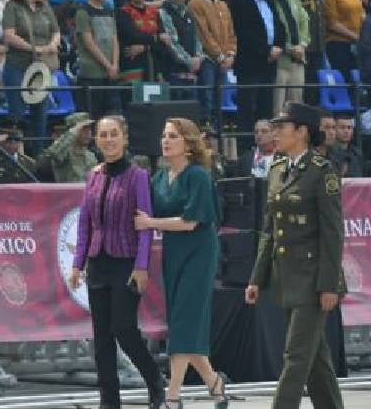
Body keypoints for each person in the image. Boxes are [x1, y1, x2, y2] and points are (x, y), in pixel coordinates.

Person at [245, 102, 345, 409]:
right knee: (315, 359)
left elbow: (332, 233)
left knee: (296, 356)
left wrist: (329, 284)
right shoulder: (277, 170)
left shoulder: (321, 172)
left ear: (301, 131)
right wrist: (257, 278)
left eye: (282, 127)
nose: (276, 133)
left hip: (314, 279)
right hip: (287, 278)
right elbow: (270, 230)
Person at [68, 115, 164, 409]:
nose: (108, 140)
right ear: (96, 140)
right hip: (98, 263)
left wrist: (141, 266)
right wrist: (77, 264)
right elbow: (85, 223)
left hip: (126, 264)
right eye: (103, 135)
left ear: (124, 138)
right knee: (102, 339)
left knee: (124, 330)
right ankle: (109, 401)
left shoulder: (138, 176)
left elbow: (144, 224)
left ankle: (155, 385)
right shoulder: (93, 175)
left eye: (113, 134)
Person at [134, 118, 229, 409]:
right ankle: (214, 382)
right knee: (181, 318)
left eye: (172, 136)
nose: (165, 141)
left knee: (183, 321)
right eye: (164, 135)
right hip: (174, 252)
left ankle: (172, 397)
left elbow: (191, 221)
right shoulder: (159, 177)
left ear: (187, 144)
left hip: (199, 251)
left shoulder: (198, 175)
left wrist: (150, 223)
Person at [1, 0, 61, 154]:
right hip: (18, 64)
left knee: (40, 112)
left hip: (40, 67)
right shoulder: (13, 7)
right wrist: (33, 48)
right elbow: (9, 35)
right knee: (17, 112)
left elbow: (56, 31)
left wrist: (52, 45)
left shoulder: (45, 7)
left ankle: (37, 154)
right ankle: (15, 153)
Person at [229, 0, 285, 150]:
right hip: (250, 64)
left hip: (269, 65)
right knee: (247, 109)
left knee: (266, 109)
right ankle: (245, 150)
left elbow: (280, 28)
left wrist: (278, 47)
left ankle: (266, 147)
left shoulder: (269, 1)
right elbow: (243, 33)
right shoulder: (239, 2)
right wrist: (266, 50)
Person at [188, 0, 236, 121]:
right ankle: (206, 130)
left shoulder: (223, 4)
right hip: (208, 60)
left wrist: (230, 54)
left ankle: (218, 130)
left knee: (219, 99)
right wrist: (220, 56)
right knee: (207, 98)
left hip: (224, 60)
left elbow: (231, 33)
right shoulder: (195, 3)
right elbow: (203, 34)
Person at [74, 0, 120, 117]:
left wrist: (115, 64)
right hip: (91, 73)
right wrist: (108, 65)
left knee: (111, 114)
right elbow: (89, 43)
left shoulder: (109, 10)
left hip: (110, 74)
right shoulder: (83, 12)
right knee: (92, 115)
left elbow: (114, 38)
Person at [266, 0, 309, 115]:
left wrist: (302, 45)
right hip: (279, 61)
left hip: (298, 59)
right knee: (277, 108)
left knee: (297, 107)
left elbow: (304, 21)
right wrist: (289, 48)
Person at [323, 0, 362, 76]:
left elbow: (361, 14)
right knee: (344, 80)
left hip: (356, 43)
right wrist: (355, 36)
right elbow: (332, 23)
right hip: (338, 44)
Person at [38, 111, 98, 182]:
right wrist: (72, 132)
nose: (88, 132)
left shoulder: (91, 156)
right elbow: (53, 154)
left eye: (89, 128)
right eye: (83, 129)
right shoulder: (64, 154)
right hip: (67, 191)